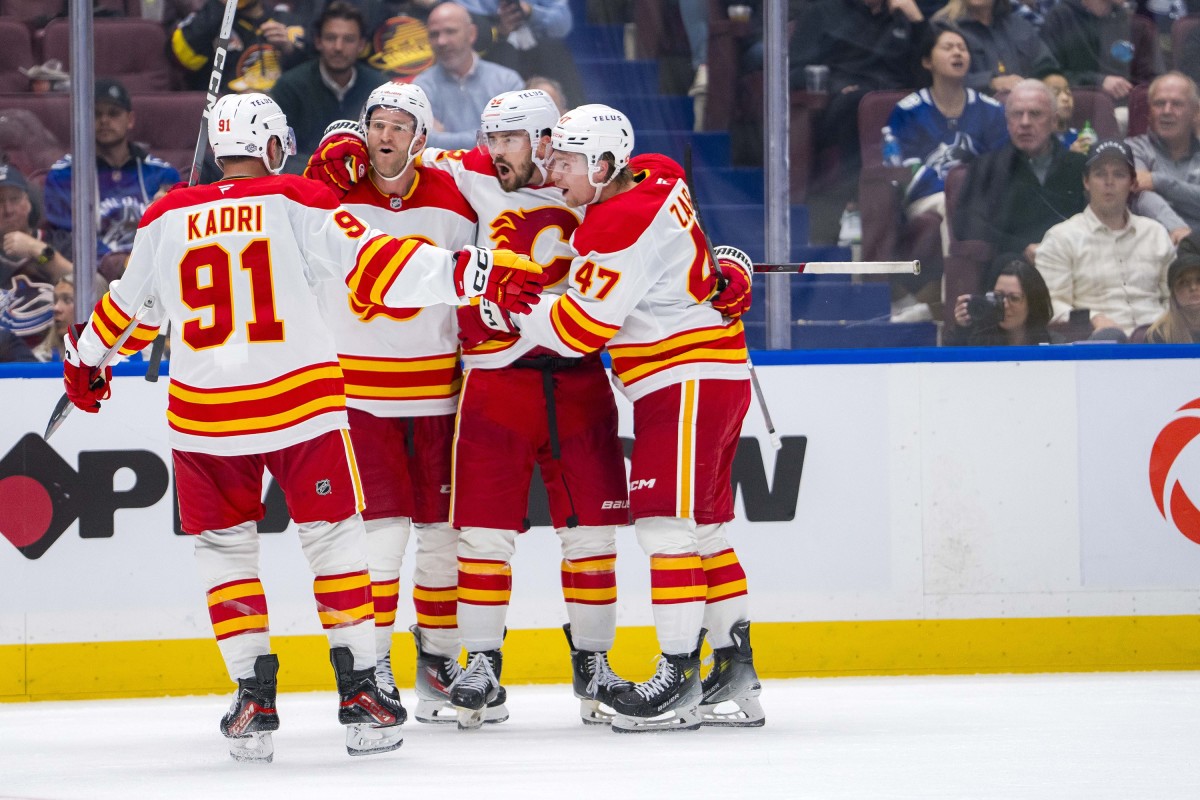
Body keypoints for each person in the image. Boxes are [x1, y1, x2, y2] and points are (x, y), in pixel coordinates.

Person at [59, 92, 545, 762]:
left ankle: (252, 700)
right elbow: (381, 266)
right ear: (270, 146)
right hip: (299, 407)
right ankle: (361, 692)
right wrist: (475, 271)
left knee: (226, 555)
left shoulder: (166, 214)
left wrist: (85, 360)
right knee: (336, 544)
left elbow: (132, 310)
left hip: (205, 418)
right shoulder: (297, 198)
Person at [307, 88, 635, 730]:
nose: (495, 150)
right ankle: (466, 662)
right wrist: (336, 145)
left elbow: (649, 184)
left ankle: (590, 662)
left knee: (588, 536)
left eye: (510, 139)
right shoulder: (468, 172)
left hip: (568, 378)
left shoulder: (588, 181)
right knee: (470, 536)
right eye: (491, 138)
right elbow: (372, 166)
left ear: (548, 142)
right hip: (485, 379)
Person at [477, 103, 765, 732]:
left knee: (665, 529)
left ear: (606, 165)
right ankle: (734, 671)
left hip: (683, 381)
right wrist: (725, 263)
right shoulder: (657, 173)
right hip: (711, 374)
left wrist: (512, 306)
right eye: (555, 158)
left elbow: (579, 331)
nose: (556, 172)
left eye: (568, 162)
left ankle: (679, 679)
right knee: (706, 531)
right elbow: (678, 238)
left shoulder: (615, 225)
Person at [308, 82, 480, 724]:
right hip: (359, 396)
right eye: (375, 123)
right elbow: (286, 207)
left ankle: (437, 661)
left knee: (441, 538)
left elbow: (506, 171)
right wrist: (318, 160)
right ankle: (374, 664)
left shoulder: (454, 194)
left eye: (399, 126)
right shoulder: (332, 190)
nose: (384, 135)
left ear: (422, 139)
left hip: (438, 394)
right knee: (380, 537)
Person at [887, 22, 1008, 319]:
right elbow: (902, 169)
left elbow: (1000, 164)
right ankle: (952, 305)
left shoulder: (991, 110)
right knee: (950, 206)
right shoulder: (908, 110)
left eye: (962, 48)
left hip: (979, 200)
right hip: (927, 199)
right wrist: (955, 193)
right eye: (948, 47)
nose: (958, 53)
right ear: (927, 61)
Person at [788, 0, 928, 244]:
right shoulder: (823, 12)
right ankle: (854, 206)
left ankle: (912, 212)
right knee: (859, 106)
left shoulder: (902, 16)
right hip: (842, 106)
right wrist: (836, 85)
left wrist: (918, 21)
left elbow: (931, 66)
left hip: (896, 104)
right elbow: (795, 71)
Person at [1036, 139, 1174, 337]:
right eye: (1100, 174)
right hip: (1097, 344)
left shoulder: (1156, 233)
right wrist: (1093, 318)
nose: (1109, 182)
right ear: (1086, 182)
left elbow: (1173, 298)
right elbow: (1049, 305)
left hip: (1158, 341)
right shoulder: (1061, 238)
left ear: (1133, 183)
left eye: (1119, 174)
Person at [953, 79, 1087, 281]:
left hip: (1073, 266)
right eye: (1017, 114)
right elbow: (967, 223)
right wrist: (1021, 247)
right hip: (1012, 271)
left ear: (1054, 121)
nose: (1025, 123)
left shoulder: (1079, 166)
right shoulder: (986, 167)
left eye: (1035, 114)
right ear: (1008, 122)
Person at [42, 79, 181, 264]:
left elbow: (175, 235)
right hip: (92, 272)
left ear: (130, 120)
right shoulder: (64, 175)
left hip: (152, 268)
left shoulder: (162, 173)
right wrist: (113, 263)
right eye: (96, 114)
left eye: (113, 113)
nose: (104, 120)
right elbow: (64, 240)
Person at [271, 3, 387, 168]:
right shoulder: (289, 87)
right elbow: (281, 154)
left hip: (365, 176)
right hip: (306, 178)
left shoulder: (379, 89)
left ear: (361, 45)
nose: (338, 47)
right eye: (331, 38)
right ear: (318, 41)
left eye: (348, 39)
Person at [413, 2, 525, 149]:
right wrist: (491, 135)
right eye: (434, 34)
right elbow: (425, 141)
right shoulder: (420, 88)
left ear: (471, 34)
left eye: (450, 31)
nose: (441, 41)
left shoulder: (507, 82)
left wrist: (443, 138)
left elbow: (516, 138)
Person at [461, 0, 585, 110]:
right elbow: (461, 24)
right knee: (502, 54)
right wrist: (498, 29)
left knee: (553, 48)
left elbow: (563, 25)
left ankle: (573, 119)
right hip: (493, 46)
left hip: (538, 42)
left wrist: (531, 12)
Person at [172, 0, 307, 93]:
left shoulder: (290, 22)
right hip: (229, 110)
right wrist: (220, 6)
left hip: (282, 106)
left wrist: (290, 50)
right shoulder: (206, 20)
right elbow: (181, 59)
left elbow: (313, 77)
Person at [1126, 72, 1200, 242]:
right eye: (1159, 103)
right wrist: (1179, 230)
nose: (1167, 111)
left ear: (1196, 112)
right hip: (1153, 245)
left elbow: (1151, 184)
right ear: (1149, 111)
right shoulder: (1133, 148)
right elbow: (1142, 196)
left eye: (1177, 104)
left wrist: (1158, 182)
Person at [1040, 0, 1159, 105]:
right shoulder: (1060, 18)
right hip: (1074, 108)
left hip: (1126, 109)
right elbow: (1047, 74)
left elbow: (1152, 81)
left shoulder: (1138, 26)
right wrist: (1098, 81)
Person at [932, 0, 1058, 95]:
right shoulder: (943, 26)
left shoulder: (1019, 25)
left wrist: (1053, 83)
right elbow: (939, 79)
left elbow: (1046, 66)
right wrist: (991, 83)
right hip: (970, 113)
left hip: (1024, 110)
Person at [946, 257, 1060, 344]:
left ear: (1032, 304)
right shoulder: (977, 340)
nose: (1004, 305)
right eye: (998, 296)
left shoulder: (1053, 344)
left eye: (1014, 298)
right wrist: (961, 330)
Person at [0, 165, 71, 291]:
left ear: (29, 203)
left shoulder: (60, 242)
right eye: (0, 202)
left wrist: (35, 248)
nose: (8, 210)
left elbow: (86, 285)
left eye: (15, 199)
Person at [1145, 239, 1200, 343]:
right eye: (1184, 283)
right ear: (1173, 293)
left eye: (1199, 280)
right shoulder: (1157, 335)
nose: (1193, 287)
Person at [31, 274, 74, 362]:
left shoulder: (103, 359)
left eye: (67, 300)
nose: (56, 308)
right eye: (55, 300)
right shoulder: (39, 359)